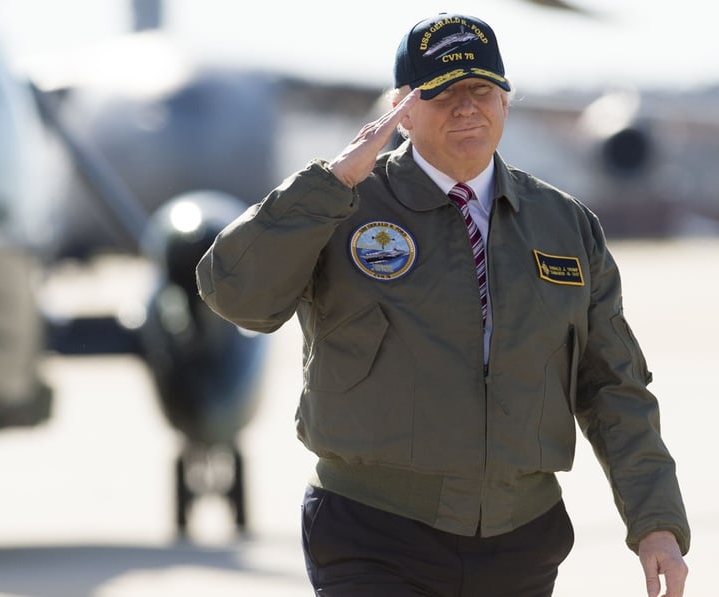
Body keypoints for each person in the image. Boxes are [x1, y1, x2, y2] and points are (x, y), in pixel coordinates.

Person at [195, 12, 690, 597]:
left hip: (521, 540)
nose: (465, 107)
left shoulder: (565, 226)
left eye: (481, 89)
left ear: (505, 101)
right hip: (372, 533)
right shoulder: (340, 204)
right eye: (442, 92)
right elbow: (234, 294)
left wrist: (654, 522)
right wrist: (327, 184)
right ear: (401, 108)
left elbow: (613, 385)